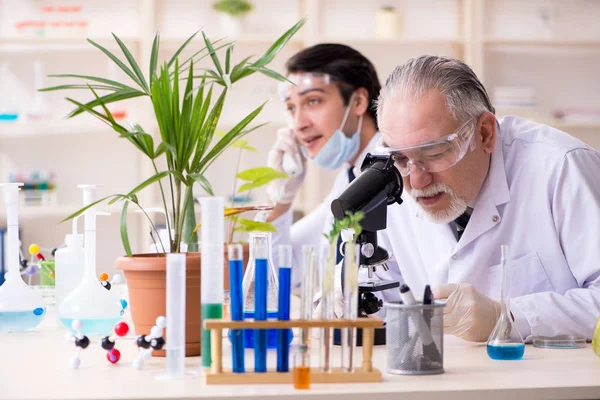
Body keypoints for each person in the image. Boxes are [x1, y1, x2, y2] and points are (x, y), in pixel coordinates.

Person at [366, 55, 600, 342]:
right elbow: (380, 296)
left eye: (434, 153)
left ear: (485, 133)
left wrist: (508, 316)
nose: (416, 181)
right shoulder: (397, 183)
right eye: (400, 157)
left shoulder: (561, 167)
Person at [266, 44, 382, 305]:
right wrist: (281, 197)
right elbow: (282, 272)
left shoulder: (403, 173)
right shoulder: (350, 179)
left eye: (313, 101)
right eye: (292, 108)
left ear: (359, 102)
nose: (299, 123)